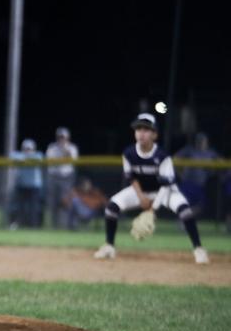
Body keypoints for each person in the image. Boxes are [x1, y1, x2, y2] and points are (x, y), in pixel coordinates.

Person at [94, 113, 210, 264]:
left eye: (146, 129)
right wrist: (141, 197)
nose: (141, 133)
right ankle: (109, 246)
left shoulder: (162, 156)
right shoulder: (129, 153)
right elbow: (131, 179)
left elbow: (166, 186)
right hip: (141, 191)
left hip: (166, 191)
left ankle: (198, 249)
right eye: (138, 129)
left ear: (155, 135)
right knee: (111, 207)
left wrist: (152, 210)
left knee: (185, 210)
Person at [174, 132, 219, 218]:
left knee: (201, 206)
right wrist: (180, 173)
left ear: (207, 142)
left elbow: (220, 163)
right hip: (188, 183)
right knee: (183, 203)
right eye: (199, 141)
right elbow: (175, 159)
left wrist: (212, 172)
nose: (201, 142)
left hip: (200, 185)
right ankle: (183, 222)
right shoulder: (189, 150)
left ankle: (183, 218)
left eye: (203, 141)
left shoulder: (210, 153)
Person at [45, 127, 79, 228]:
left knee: (65, 202)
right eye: (60, 137)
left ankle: (65, 225)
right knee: (53, 202)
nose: (61, 139)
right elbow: (49, 160)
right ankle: (54, 225)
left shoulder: (72, 148)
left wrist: (65, 150)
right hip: (54, 177)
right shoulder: (52, 147)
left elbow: (73, 160)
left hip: (67, 178)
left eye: (63, 137)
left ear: (67, 138)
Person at [8, 139, 44, 228]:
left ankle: (33, 226)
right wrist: (23, 158)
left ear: (33, 149)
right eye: (26, 149)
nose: (27, 151)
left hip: (34, 186)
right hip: (21, 185)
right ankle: (18, 224)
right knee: (18, 207)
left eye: (29, 149)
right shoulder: (18, 155)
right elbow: (11, 156)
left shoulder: (37, 155)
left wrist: (25, 159)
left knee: (34, 208)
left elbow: (40, 157)